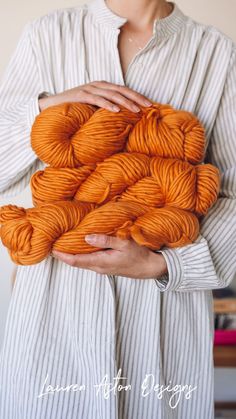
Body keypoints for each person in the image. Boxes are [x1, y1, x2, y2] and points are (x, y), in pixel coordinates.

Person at [0, 0, 235, 417]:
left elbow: (230, 196)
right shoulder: (48, 36)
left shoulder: (216, 53)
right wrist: (47, 107)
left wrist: (164, 265)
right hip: (56, 314)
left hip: (164, 319)